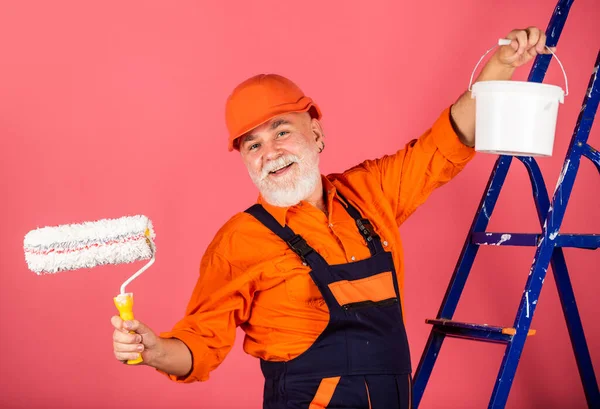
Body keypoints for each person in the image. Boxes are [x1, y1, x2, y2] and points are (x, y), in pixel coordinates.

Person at [112, 27, 552, 409]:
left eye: (282, 131)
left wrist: (501, 63)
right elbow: (199, 345)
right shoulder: (239, 241)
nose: (271, 153)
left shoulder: (370, 192)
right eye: (253, 145)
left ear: (316, 134)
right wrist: (154, 351)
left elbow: (446, 141)